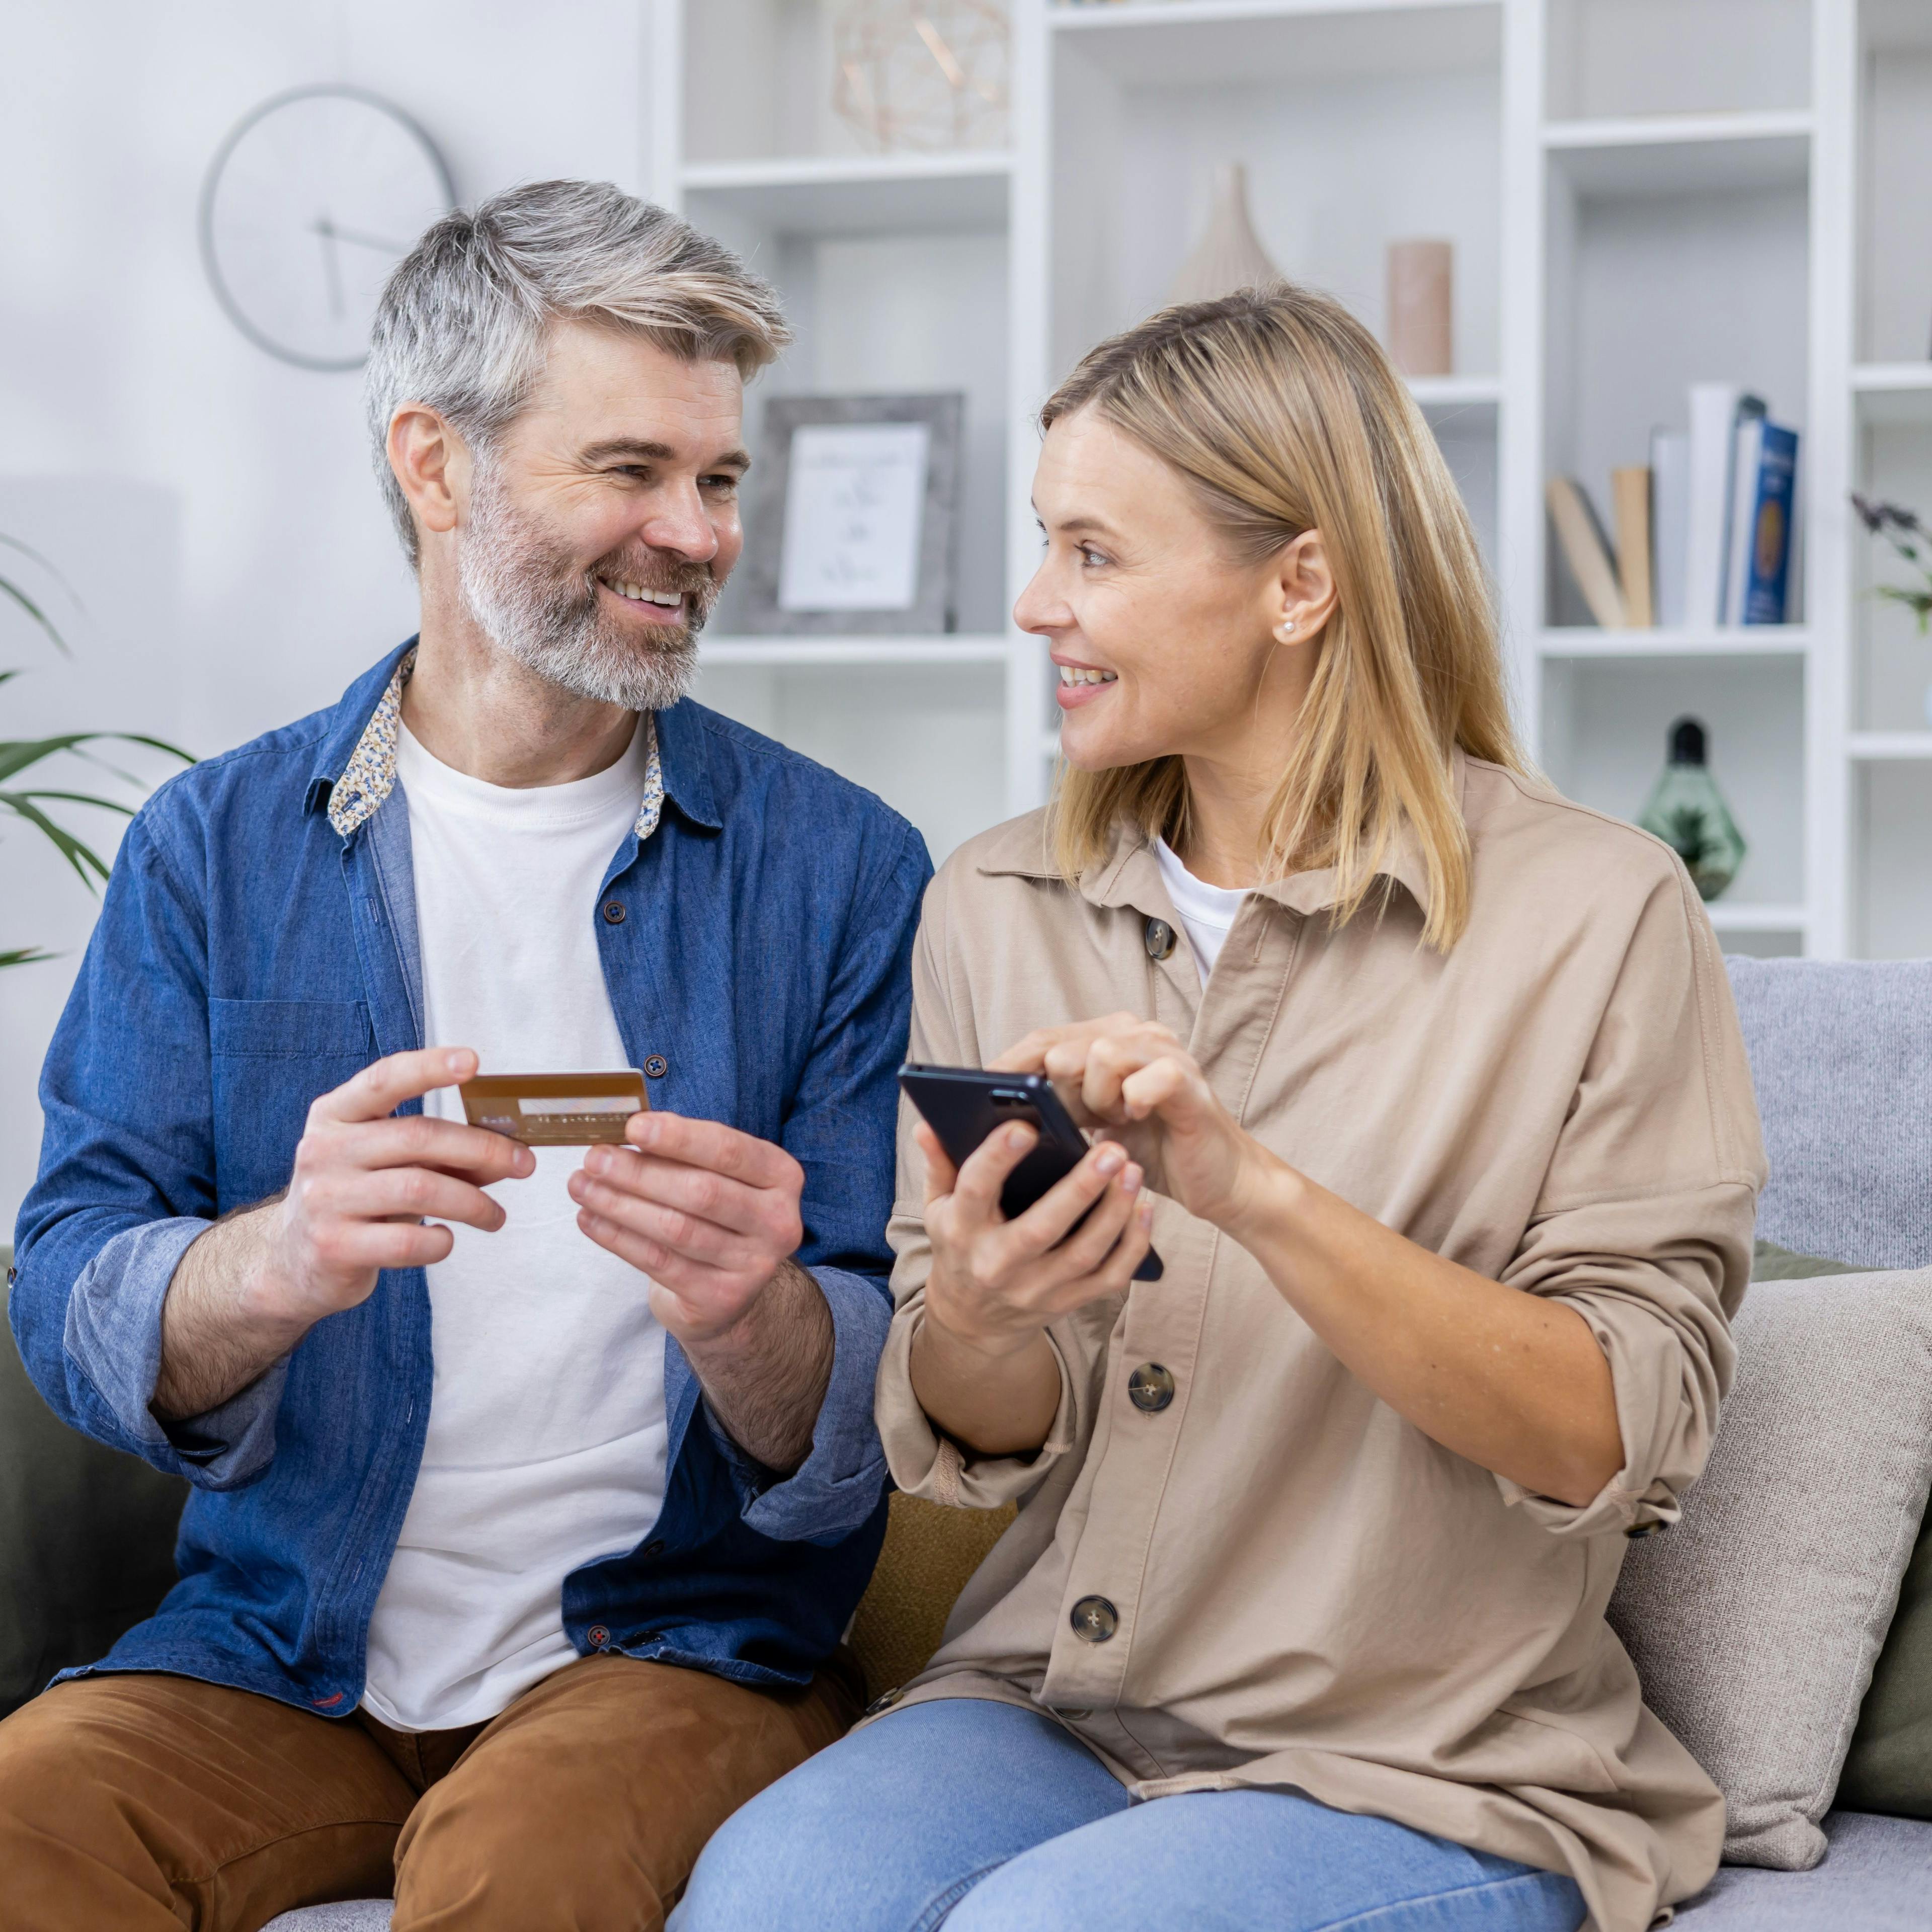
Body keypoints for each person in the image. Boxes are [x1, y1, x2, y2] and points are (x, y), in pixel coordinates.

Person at [674, 285, 1765, 1932]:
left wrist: (1253, 1193)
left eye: (1095, 554)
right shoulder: (993, 899)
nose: (1038, 604)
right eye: (1046, 544)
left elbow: (1611, 1423)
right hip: (1055, 1705)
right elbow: (974, 1420)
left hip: (1430, 1761)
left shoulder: (1602, 915)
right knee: (766, 1898)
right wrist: (972, 1304)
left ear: (1299, 583)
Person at [1, 180, 929, 1931]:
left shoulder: (843, 871)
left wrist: (759, 1317)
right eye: (633, 471)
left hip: (671, 1652)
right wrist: (271, 1262)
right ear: (437, 466)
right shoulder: (212, 849)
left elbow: (885, 1397)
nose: (703, 532)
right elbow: (64, 1286)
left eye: (720, 479)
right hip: (281, 1656)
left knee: (523, 1866)